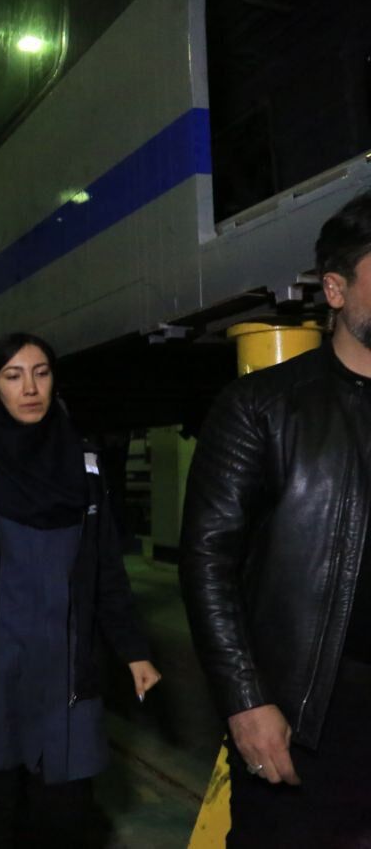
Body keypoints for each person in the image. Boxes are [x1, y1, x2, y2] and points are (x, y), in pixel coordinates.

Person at [0, 333, 160, 848]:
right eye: (13, 376)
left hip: (63, 669)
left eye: (41, 373)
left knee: (63, 815)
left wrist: (134, 650)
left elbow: (105, 566)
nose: (30, 388)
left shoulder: (85, 461)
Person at [180, 190, 371, 847]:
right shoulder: (261, 407)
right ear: (335, 290)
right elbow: (208, 562)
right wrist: (245, 701)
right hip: (304, 717)